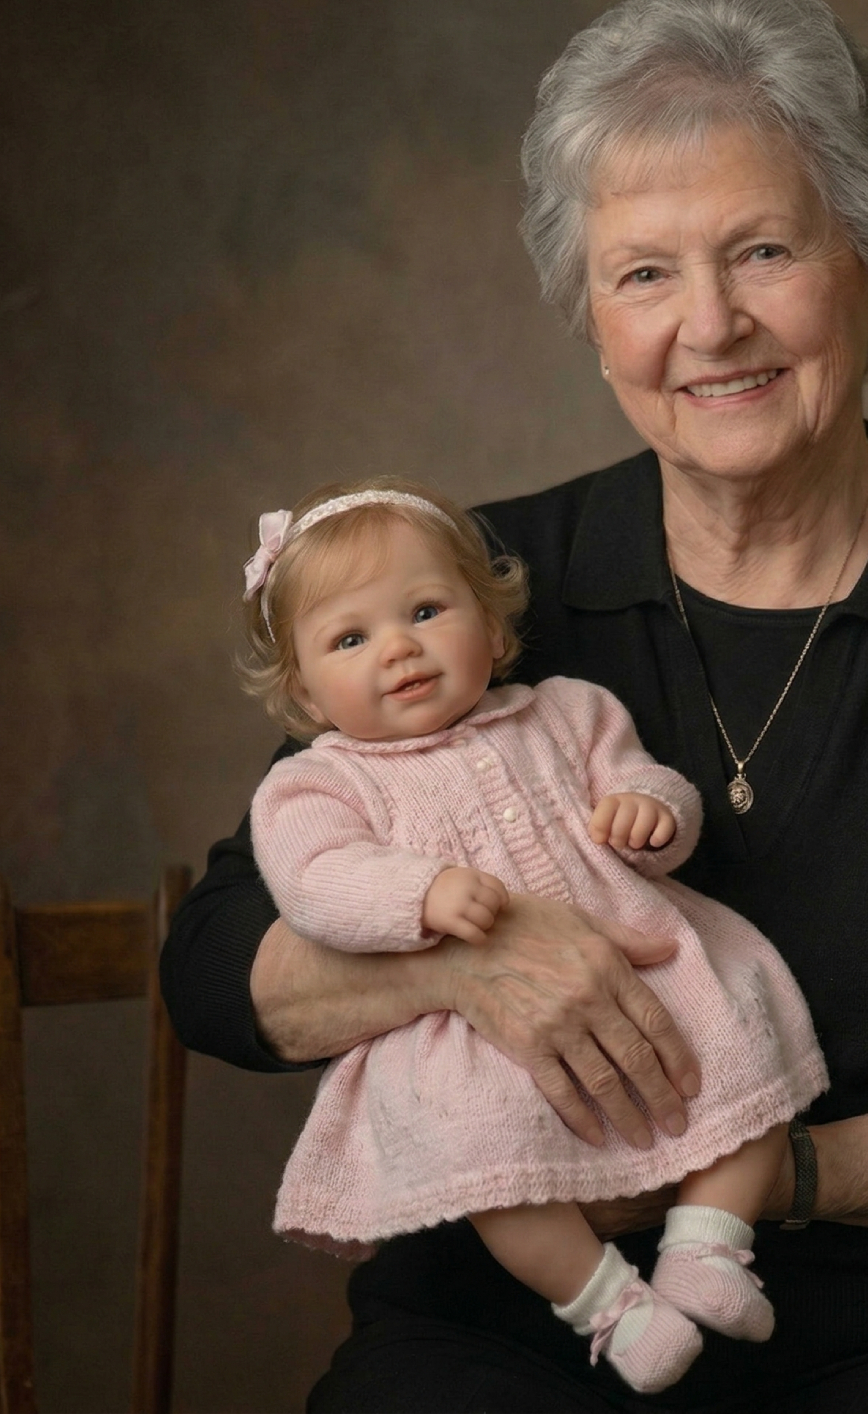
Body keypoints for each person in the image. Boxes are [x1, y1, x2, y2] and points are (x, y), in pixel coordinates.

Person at [163, 0, 868, 1413]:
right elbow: (214, 959)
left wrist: (757, 1170)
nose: (709, 325)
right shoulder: (478, 588)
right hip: (509, 1322)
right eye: (644, 272)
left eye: (766, 250)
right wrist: (466, 966)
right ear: (593, 315)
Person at [237, 476, 828, 1393]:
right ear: (307, 696)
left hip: (642, 960)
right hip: (469, 1039)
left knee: (746, 1044)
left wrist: (652, 812)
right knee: (490, 1164)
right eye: (350, 639)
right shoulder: (319, 786)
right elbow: (313, 882)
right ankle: (608, 1307)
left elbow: (646, 780)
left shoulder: (572, 710)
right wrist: (418, 893)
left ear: (495, 627)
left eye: (426, 610)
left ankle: (708, 1249)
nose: (399, 648)